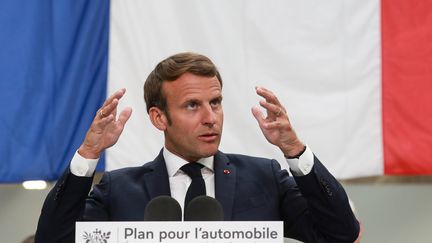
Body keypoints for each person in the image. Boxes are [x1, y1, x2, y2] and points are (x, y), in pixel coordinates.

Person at [35, 52, 359, 242]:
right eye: (192, 105)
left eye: (215, 102)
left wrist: (295, 151)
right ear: (159, 117)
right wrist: (88, 156)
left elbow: (340, 234)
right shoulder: (119, 190)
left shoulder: (264, 177)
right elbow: (53, 239)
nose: (210, 117)